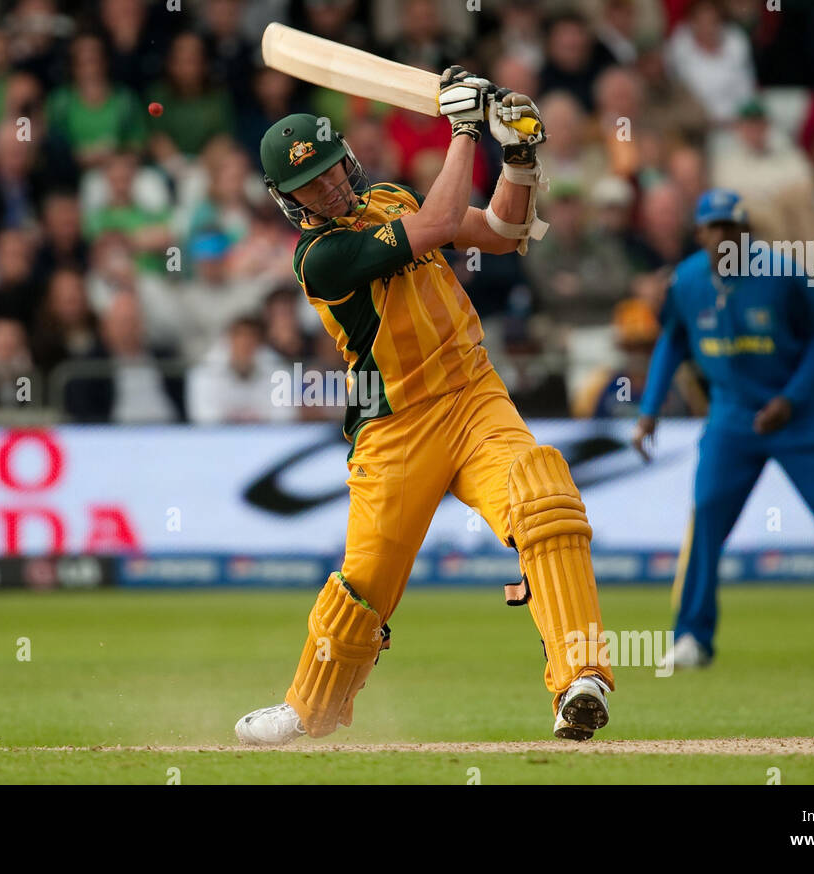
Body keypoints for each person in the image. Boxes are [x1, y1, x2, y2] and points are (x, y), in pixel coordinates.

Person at [236, 68, 615, 747]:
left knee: (545, 495)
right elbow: (439, 222)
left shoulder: (389, 195)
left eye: (329, 170)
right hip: (396, 429)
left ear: (346, 158)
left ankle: (580, 678)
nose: (328, 186)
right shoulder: (318, 257)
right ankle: (308, 710)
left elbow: (501, 231)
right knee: (363, 590)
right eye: (309, 185)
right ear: (289, 201)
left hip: (474, 397)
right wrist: (465, 128)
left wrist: (520, 157)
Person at [632, 189, 814, 671]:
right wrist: (648, 410)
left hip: (802, 418)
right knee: (705, 518)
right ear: (700, 234)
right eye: (716, 228)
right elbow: (673, 340)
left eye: (734, 228)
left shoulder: (782, 272)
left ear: (745, 232)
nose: (725, 237)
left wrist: (789, 399)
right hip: (732, 418)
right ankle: (692, 637)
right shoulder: (687, 282)